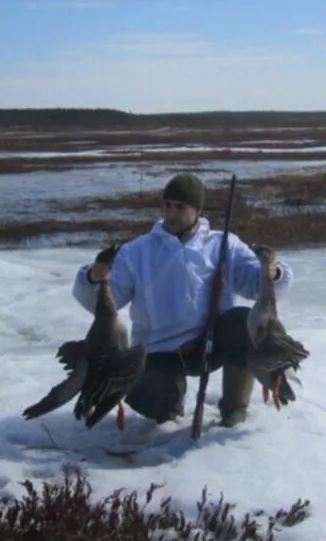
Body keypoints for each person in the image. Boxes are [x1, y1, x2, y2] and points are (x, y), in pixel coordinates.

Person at [72, 172, 293, 427]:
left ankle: (235, 409)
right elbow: (107, 300)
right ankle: (168, 412)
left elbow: (254, 282)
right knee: (154, 400)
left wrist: (271, 272)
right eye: (167, 205)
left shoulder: (222, 244)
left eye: (180, 207)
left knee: (247, 323)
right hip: (159, 350)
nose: (172, 213)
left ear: (197, 210)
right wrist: (93, 278)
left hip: (210, 342)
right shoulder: (138, 251)